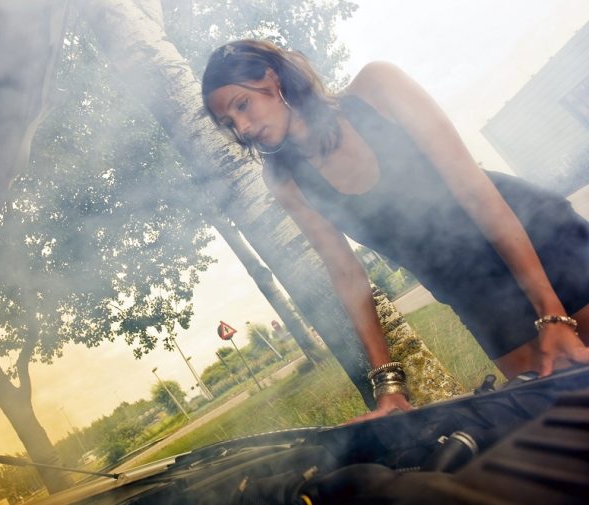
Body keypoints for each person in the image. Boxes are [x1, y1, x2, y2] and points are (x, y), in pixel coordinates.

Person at [201, 39, 589, 420]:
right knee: (561, 420)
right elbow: (347, 275)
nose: (243, 127)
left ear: (272, 79)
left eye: (243, 105)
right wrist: (388, 388)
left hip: (539, 242)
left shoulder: (378, 87)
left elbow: (474, 191)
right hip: (472, 293)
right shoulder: (284, 178)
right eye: (229, 124)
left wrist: (552, 313)